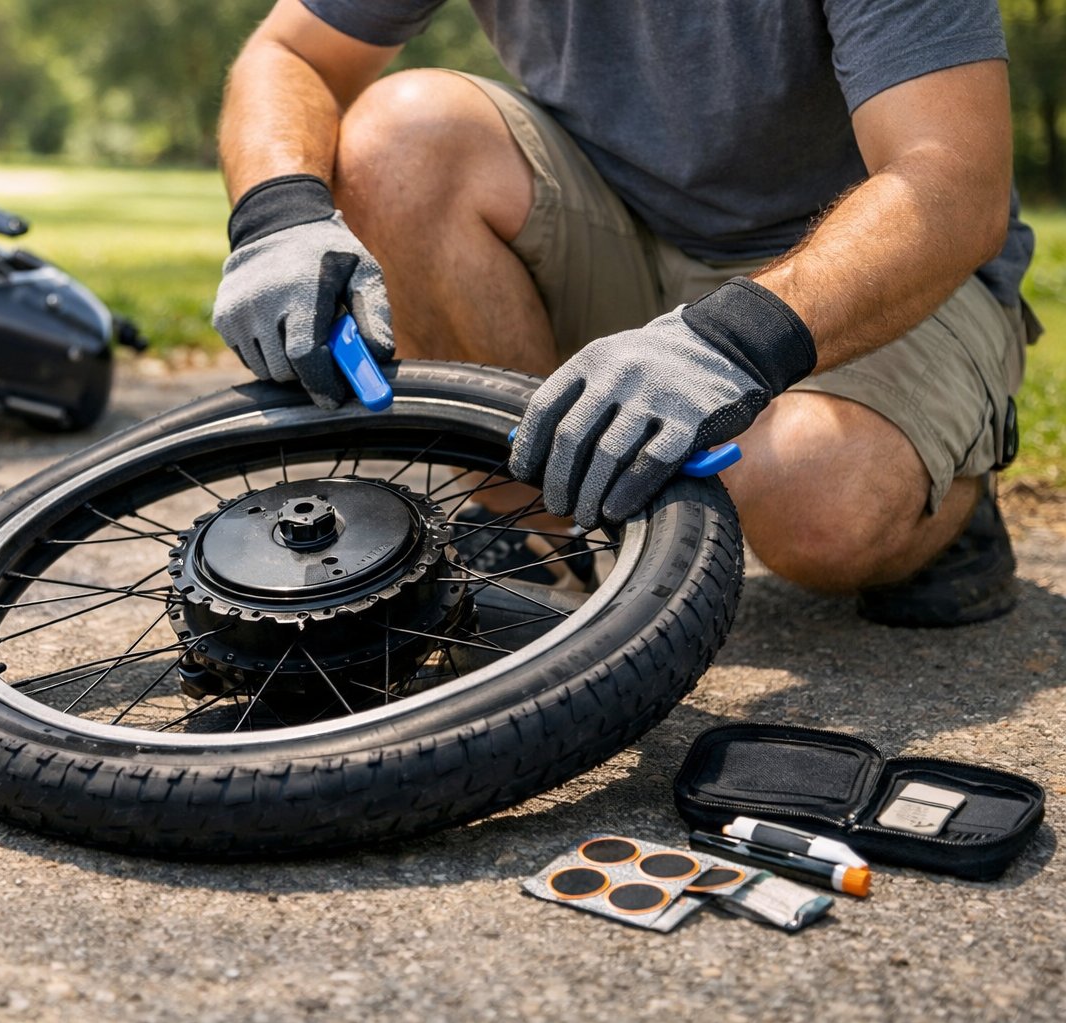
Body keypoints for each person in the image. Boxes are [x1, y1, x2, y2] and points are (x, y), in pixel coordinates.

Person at [211, 0, 1039, 628]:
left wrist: (731, 342)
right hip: (612, 227)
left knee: (812, 500)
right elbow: (291, 51)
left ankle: (948, 499)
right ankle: (542, 533)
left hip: (855, 258)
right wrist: (277, 215)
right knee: (400, 136)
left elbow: (950, 181)